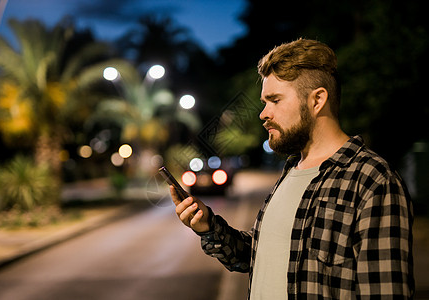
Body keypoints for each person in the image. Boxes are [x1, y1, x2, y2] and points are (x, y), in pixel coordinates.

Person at [170, 38, 414, 299]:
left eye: (275, 100)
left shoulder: (372, 181)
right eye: (265, 102)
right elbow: (259, 256)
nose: (263, 113)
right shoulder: (290, 172)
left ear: (317, 100)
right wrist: (209, 227)